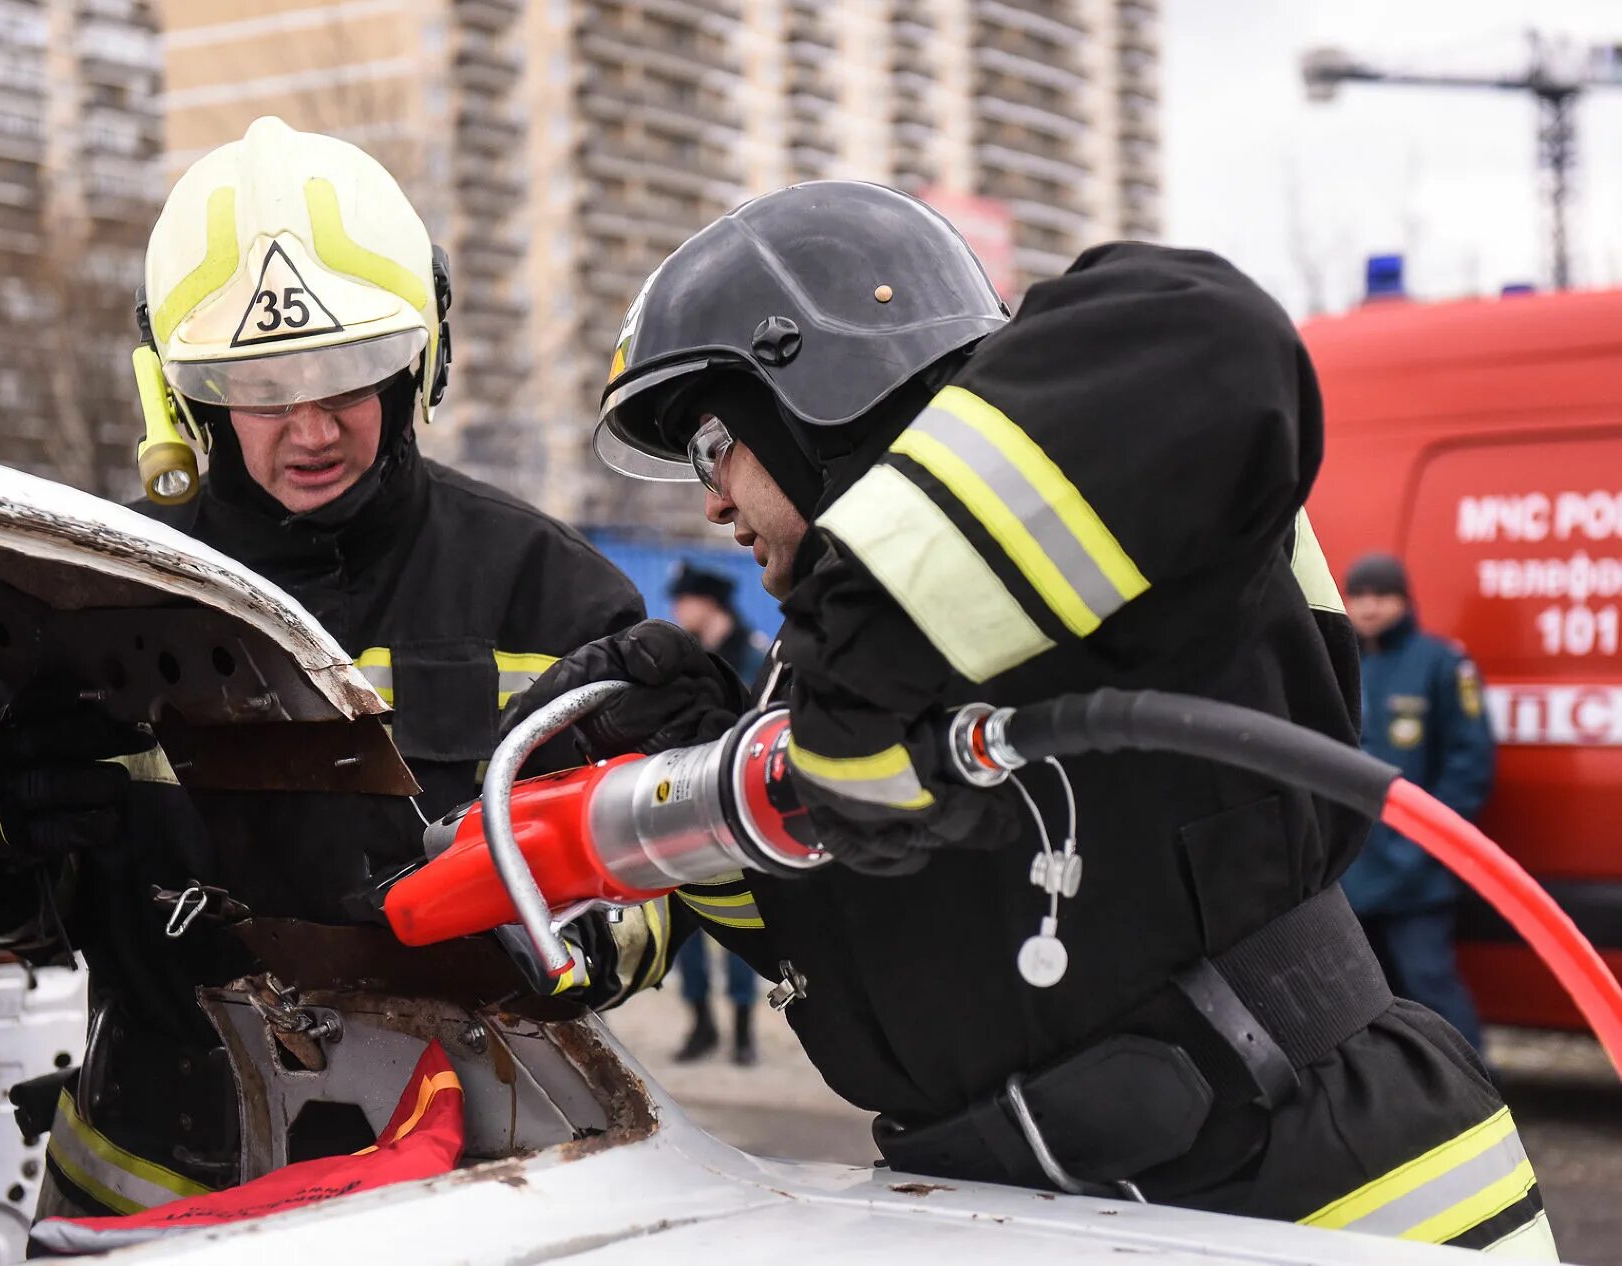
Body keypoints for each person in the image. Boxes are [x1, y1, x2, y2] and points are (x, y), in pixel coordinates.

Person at [511, 182, 1551, 1254]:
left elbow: (1210, 335)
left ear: (811, 387)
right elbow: (866, 944)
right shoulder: (827, 663)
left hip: (1320, 1200)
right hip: (1017, 1212)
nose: (712, 503)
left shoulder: (1103, 493)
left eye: (711, 447)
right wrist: (705, 795)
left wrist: (868, 632)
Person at [0, 118, 662, 1218]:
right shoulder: (82, 598)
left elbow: (648, 897)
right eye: (257, 386)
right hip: (153, 1201)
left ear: (419, 361)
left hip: (492, 1193)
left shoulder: (556, 598)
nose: (309, 426)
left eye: (347, 373)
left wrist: (596, 939)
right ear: (183, 394)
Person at [1341, 553, 1494, 1052]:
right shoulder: (1339, 664)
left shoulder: (1442, 664)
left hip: (1419, 873)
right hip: (1354, 871)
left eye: (1381, 597)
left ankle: (1478, 1093)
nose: (1368, 609)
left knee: (1429, 987)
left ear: (1404, 601)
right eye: (1358, 597)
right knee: (1359, 1002)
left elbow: (1469, 766)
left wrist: (1426, 843)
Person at [666, 561, 764, 1063]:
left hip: (740, 818)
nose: (676, 611)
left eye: (684, 601)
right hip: (689, 812)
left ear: (710, 603)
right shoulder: (690, 659)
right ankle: (701, 1024)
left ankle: (744, 1030)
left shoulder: (755, 658)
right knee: (687, 923)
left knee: (745, 925)